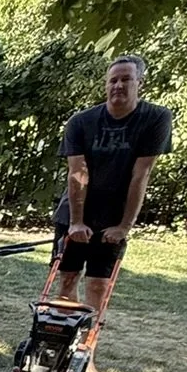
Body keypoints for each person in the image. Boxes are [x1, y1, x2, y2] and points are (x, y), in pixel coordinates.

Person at [51, 55, 172, 337]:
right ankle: (57, 347)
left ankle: (86, 351)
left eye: (126, 79)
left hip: (113, 216)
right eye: (113, 80)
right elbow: (77, 172)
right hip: (75, 211)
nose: (118, 85)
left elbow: (140, 175)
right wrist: (76, 222)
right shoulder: (81, 122)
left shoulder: (156, 118)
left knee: (97, 284)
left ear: (139, 82)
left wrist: (124, 226)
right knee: (67, 278)